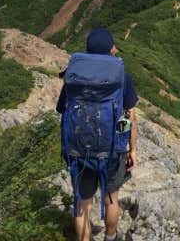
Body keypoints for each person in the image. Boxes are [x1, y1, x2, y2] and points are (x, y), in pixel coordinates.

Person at [56, 27, 138, 241]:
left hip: (78, 148)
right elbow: (129, 116)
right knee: (111, 198)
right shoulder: (122, 76)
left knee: (83, 202)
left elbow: (62, 109)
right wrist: (130, 148)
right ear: (111, 49)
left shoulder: (74, 74)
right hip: (110, 150)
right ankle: (110, 238)